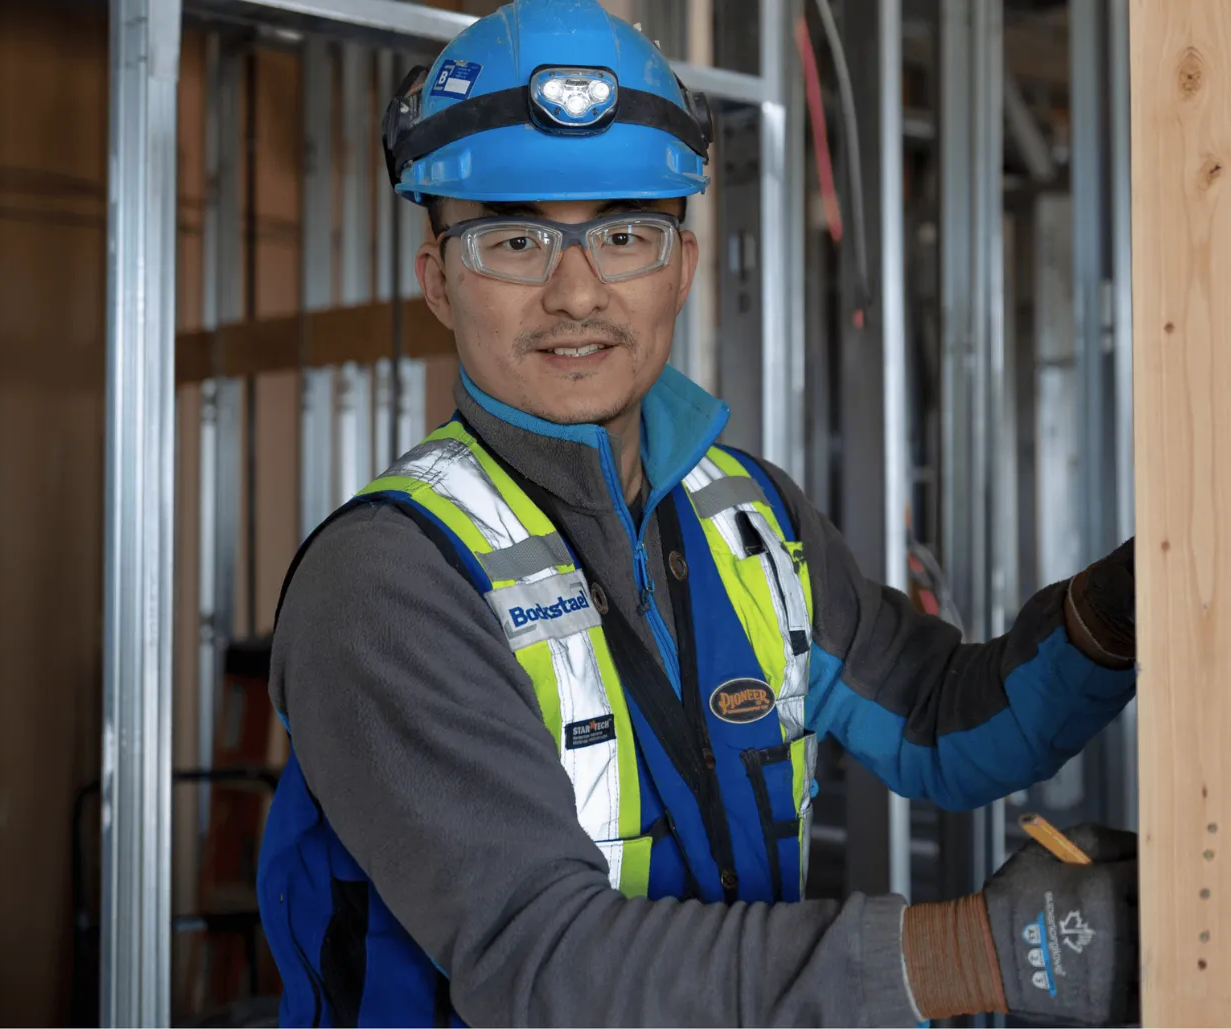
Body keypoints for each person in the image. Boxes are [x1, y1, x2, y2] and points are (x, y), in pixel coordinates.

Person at [256, 1, 1141, 1025]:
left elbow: (941, 728)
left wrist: (1112, 614)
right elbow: (540, 960)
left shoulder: (747, 513)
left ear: (679, 265)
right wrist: (978, 957)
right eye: (512, 240)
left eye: (623, 233)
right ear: (439, 281)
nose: (575, 293)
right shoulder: (390, 581)